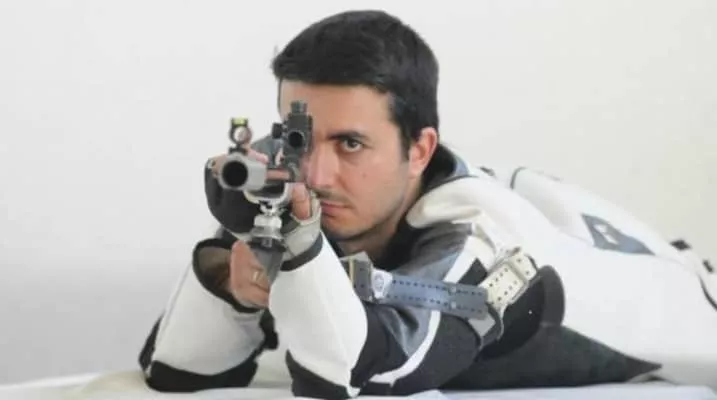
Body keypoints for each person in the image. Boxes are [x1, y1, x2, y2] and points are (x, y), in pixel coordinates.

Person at [138, 9, 712, 398]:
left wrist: (299, 246)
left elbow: (366, 372)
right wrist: (232, 280)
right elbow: (173, 371)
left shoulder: (476, 234)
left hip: (675, 298)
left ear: (419, 149)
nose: (316, 173)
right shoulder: (287, 178)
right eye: (300, 137)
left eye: (351, 143)